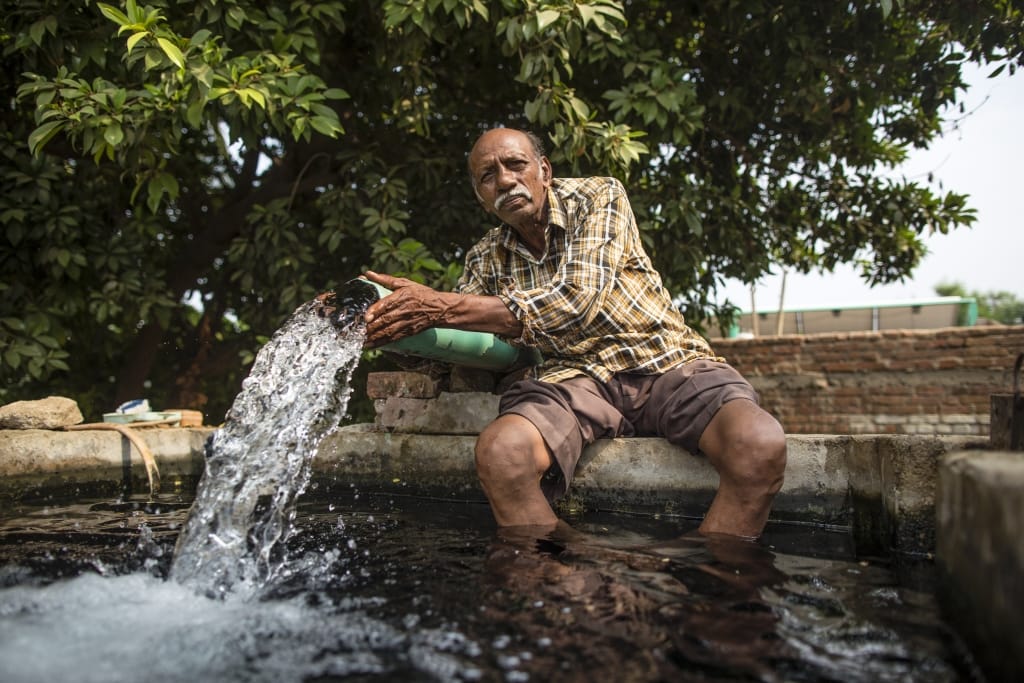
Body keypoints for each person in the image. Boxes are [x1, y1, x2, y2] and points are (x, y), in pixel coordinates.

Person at [353, 127, 786, 539]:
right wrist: (388, 329)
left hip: (666, 358)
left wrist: (440, 307)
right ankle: (572, 570)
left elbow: (578, 301)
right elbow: (466, 348)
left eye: (515, 164)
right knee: (502, 454)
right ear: (480, 196)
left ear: (545, 170)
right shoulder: (485, 256)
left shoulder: (599, 196)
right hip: (572, 377)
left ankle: (710, 574)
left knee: (759, 445)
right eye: (488, 176)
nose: (504, 180)